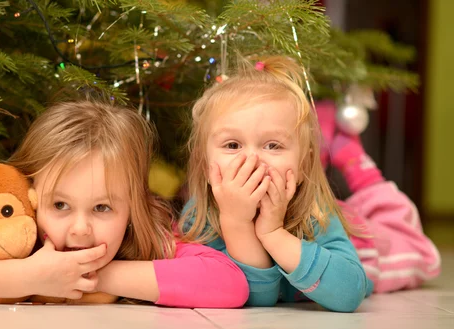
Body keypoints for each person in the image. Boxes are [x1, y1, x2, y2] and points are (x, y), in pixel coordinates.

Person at [0, 101, 249, 308]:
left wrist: (95, 276)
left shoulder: (144, 238)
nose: (80, 228)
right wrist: (29, 276)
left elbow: (230, 284)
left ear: (132, 210)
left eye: (102, 208)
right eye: (60, 205)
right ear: (31, 196)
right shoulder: (15, 237)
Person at [179, 56, 371, 312]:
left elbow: (349, 295)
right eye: (232, 145)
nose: (252, 159)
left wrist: (273, 234)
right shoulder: (198, 215)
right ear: (206, 167)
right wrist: (236, 223)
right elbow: (257, 299)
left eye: (273, 145)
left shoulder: (316, 211)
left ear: (303, 166)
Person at [316, 100, 441, 293]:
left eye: (273, 146)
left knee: (394, 222)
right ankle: (356, 162)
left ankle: (354, 164)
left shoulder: (341, 226)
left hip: (359, 234)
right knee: (402, 229)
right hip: (369, 240)